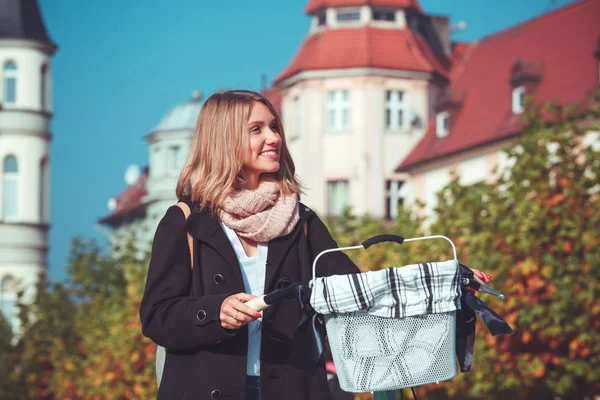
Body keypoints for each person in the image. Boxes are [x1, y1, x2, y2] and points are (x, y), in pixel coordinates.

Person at [139, 90, 360, 400]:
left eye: (273, 127)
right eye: (256, 129)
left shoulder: (302, 221)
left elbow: (351, 289)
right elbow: (156, 316)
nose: (273, 138)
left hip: (291, 388)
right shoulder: (185, 221)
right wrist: (216, 311)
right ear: (224, 140)